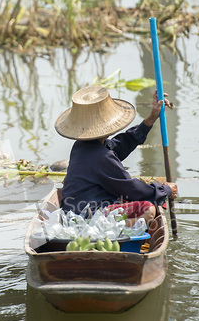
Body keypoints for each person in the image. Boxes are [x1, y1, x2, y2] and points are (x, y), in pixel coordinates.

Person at [55, 85, 177, 227]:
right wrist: (165, 190)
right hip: (87, 216)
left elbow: (120, 145)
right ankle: (109, 233)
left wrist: (150, 119)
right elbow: (131, 189)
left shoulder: (82, 146)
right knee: (148, 209)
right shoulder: (102, 156)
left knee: (139, 201)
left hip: (74, 210)